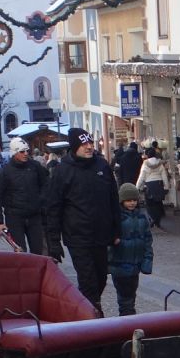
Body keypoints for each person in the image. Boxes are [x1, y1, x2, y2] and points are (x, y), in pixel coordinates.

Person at [44, 127, 119, 315]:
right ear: (75, 147)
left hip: (101, 234)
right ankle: (94, 318)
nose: (89, 147)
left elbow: (113, 198)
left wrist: (117, 229)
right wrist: (53, 241)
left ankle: (81, 307)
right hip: (77, 235)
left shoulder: (102, 166)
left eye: (90, 143)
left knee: (101, 277)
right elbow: (53, 208)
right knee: (88, 281)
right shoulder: (63, 171)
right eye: (84, 144)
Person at [0, 139, 49, 254]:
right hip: (14, 217)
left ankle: (37, 272)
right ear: (14, 153)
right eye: (22, 151)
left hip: (34, 215)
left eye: (27, 151)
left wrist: (42, 202)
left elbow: (46, 185)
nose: (26, 154)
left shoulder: (35, 166)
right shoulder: (5, 171)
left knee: (38, 251)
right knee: (20, 251)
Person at [108, 184, 154, 315]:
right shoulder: (117, 217)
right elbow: (108, 238)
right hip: (120, 264)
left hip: (135, 265)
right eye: (128, 200)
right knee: (125, 299)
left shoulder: (141, 217)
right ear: (122, 201)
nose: (132, 203)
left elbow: (147, 240)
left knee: (131, 296)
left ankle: (128, 320)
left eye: (134, 200)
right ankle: (128, 321)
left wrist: (147, 262)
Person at [135, 143, 169, 230]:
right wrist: (166, 186)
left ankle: (153, 219)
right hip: (159, 184)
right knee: (158, 204)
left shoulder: (145, 164)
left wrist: (137, 187)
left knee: (149, 204)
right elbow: (164, 176)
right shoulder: (160, 164)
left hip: (149, 186)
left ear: (147, 155)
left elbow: (141, 177)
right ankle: (157, 220)